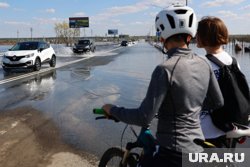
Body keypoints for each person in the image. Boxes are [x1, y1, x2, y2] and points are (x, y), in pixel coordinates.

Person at [102, 5, 224, 167]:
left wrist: (113, 110)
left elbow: (144, 116)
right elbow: (217, 102)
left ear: (162, 37)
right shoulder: (204, 63)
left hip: (171, 153)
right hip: (197, 149)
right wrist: (186, 107)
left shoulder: (165, 69)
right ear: (190, 36)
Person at [197, 16, 240, 147]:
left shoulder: (201, 63)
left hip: (204, 130)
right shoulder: (232, 61)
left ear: (204, 37)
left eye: (198, 33)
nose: (195, 35)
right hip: (226, 126)